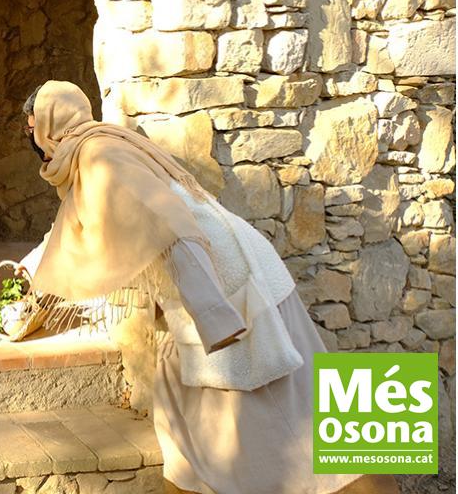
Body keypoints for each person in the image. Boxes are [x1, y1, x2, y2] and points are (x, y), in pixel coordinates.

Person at [20, 80, 398, 494]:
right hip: (226, 282)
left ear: (48, 125)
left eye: (31, 126)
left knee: (293, 436)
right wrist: (31, 276)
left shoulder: (99, 157)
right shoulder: (102, 145)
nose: (30, 135)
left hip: (231, 292)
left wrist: (214, 314)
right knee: (190, 419)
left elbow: (172, 227)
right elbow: (73, 235)